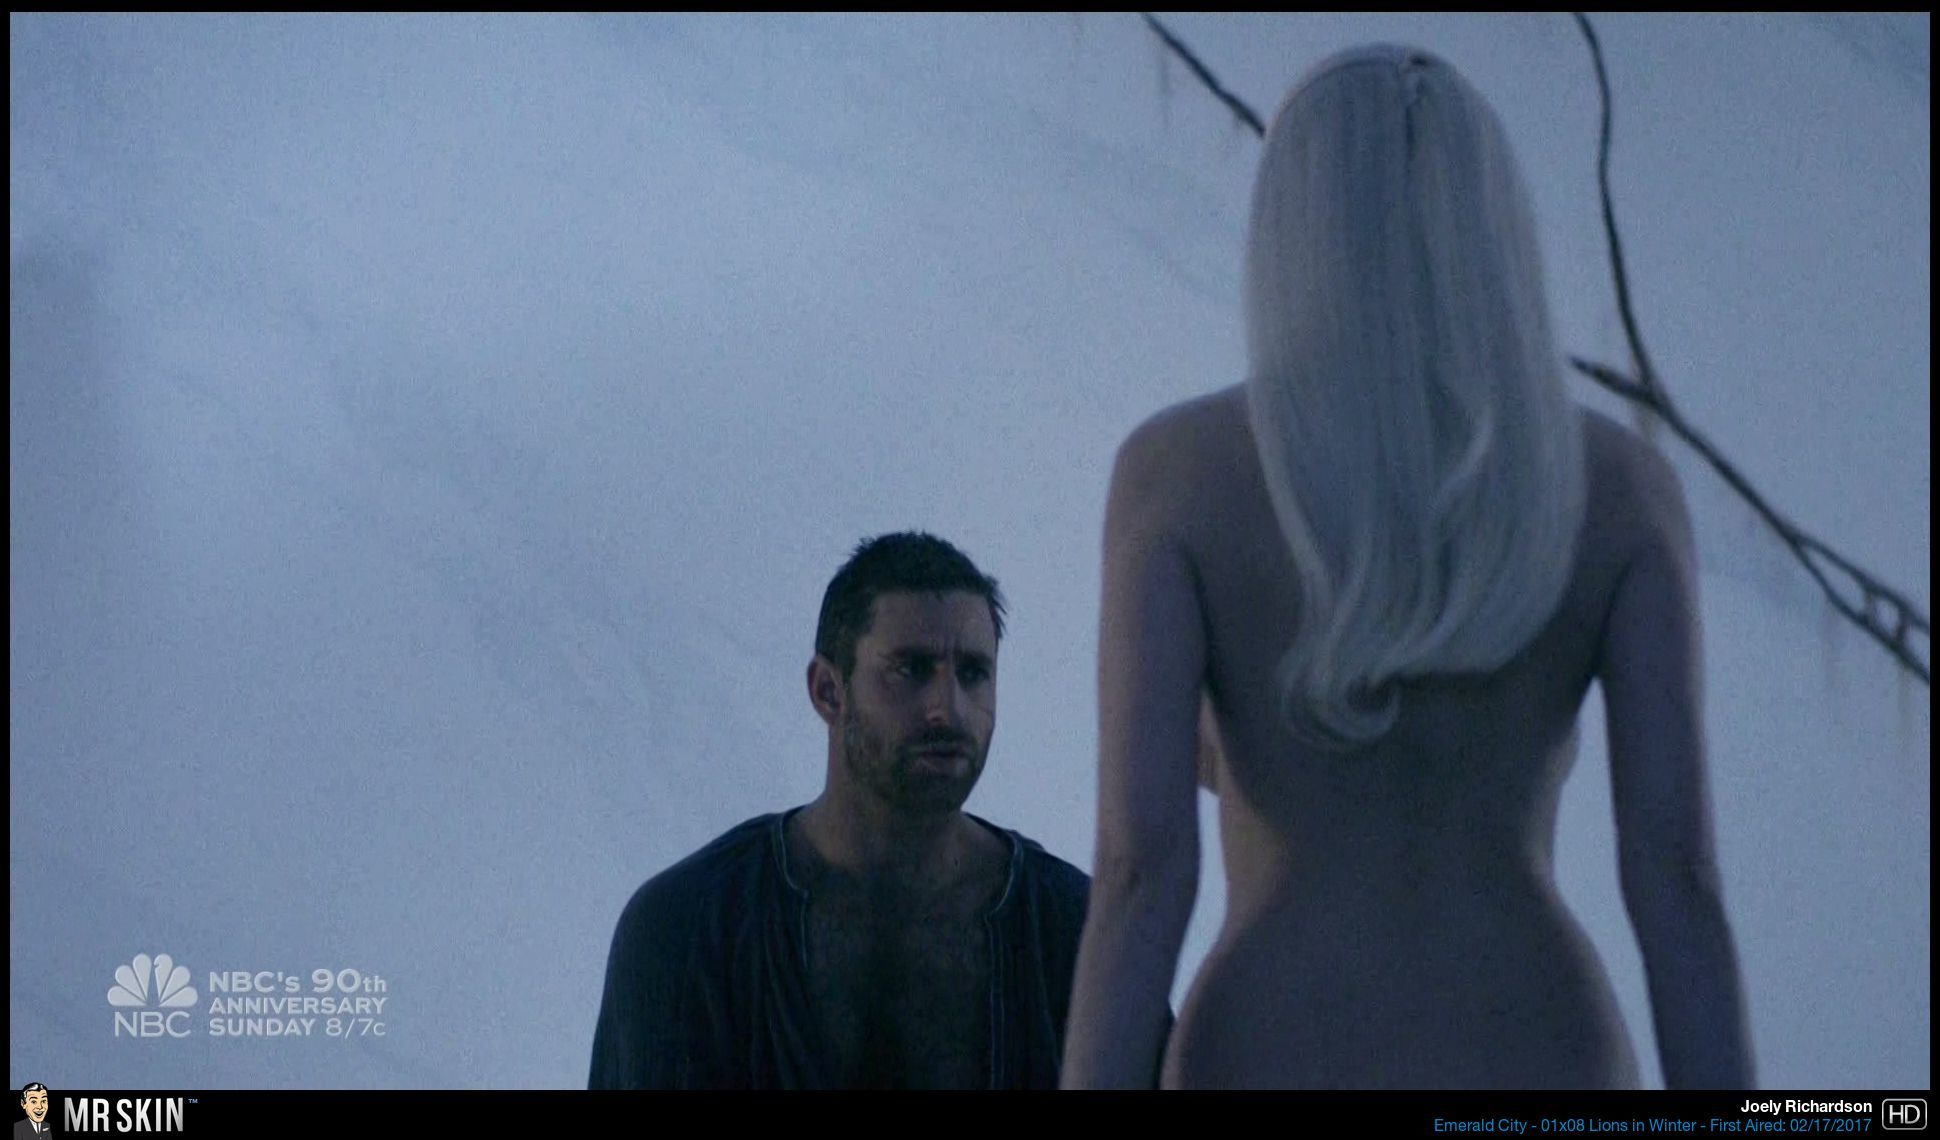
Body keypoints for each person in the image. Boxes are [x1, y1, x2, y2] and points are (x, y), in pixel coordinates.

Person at [1060, 45, 1754, 1089]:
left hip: (1269, 1049)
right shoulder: (1619, 485)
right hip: (1539, 1048)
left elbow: (1139, 871)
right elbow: (1679, 881)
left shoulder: (1177, 473)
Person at [590, 532, 1091, 1088]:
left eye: (973, 673)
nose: (947, 710)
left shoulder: (1073, 934)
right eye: (911, 669)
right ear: (829, 691)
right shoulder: (689, 927)